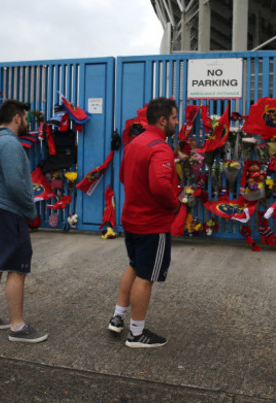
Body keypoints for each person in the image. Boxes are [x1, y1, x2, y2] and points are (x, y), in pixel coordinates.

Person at [107, 97, 180, 348]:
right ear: (162, 120)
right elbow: (161, 185)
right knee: (146, 277)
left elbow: (124, 177)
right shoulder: (161, 148)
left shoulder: (133, 144)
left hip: (132, 220)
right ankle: (136, 334)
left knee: (135, 267)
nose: (176, 122)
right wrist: (174, 204)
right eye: (174, 118)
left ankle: (118, 316)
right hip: (152, 224)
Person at [0, 99, 47, 343]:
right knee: (17, 269)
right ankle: (18, 327)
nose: (27, 123)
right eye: (26, 118)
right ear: (17, 117)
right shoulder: (10, 144)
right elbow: (17, 185)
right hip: (10, 212)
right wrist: (29, 210)